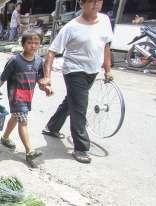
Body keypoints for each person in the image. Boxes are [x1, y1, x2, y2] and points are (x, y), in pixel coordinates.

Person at [40, 0, 113, 164]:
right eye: (92, 2)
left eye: (99, 1)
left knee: (72, 101)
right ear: (82, 4)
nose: (96, 5)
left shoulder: (105, 21)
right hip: (74, 71)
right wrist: (47, 77)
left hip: (92, 70)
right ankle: (81, 147)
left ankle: (52, 127)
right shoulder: (71, 27)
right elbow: (51, 52)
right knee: (80, 107)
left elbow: (106, 46)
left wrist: (108, 69)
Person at [0, 31, 53, 165]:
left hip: (28, 96)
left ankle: (5, 138)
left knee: (15, 117)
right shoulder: (15, 60)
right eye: (30, 43)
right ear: (23, 44)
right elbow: (3, 78)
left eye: (36, 43)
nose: (33, 46)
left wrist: (46, 87)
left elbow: (40, 80)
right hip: (16, 96)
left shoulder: (39, 61)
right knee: (23, 121)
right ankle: (29, 151)